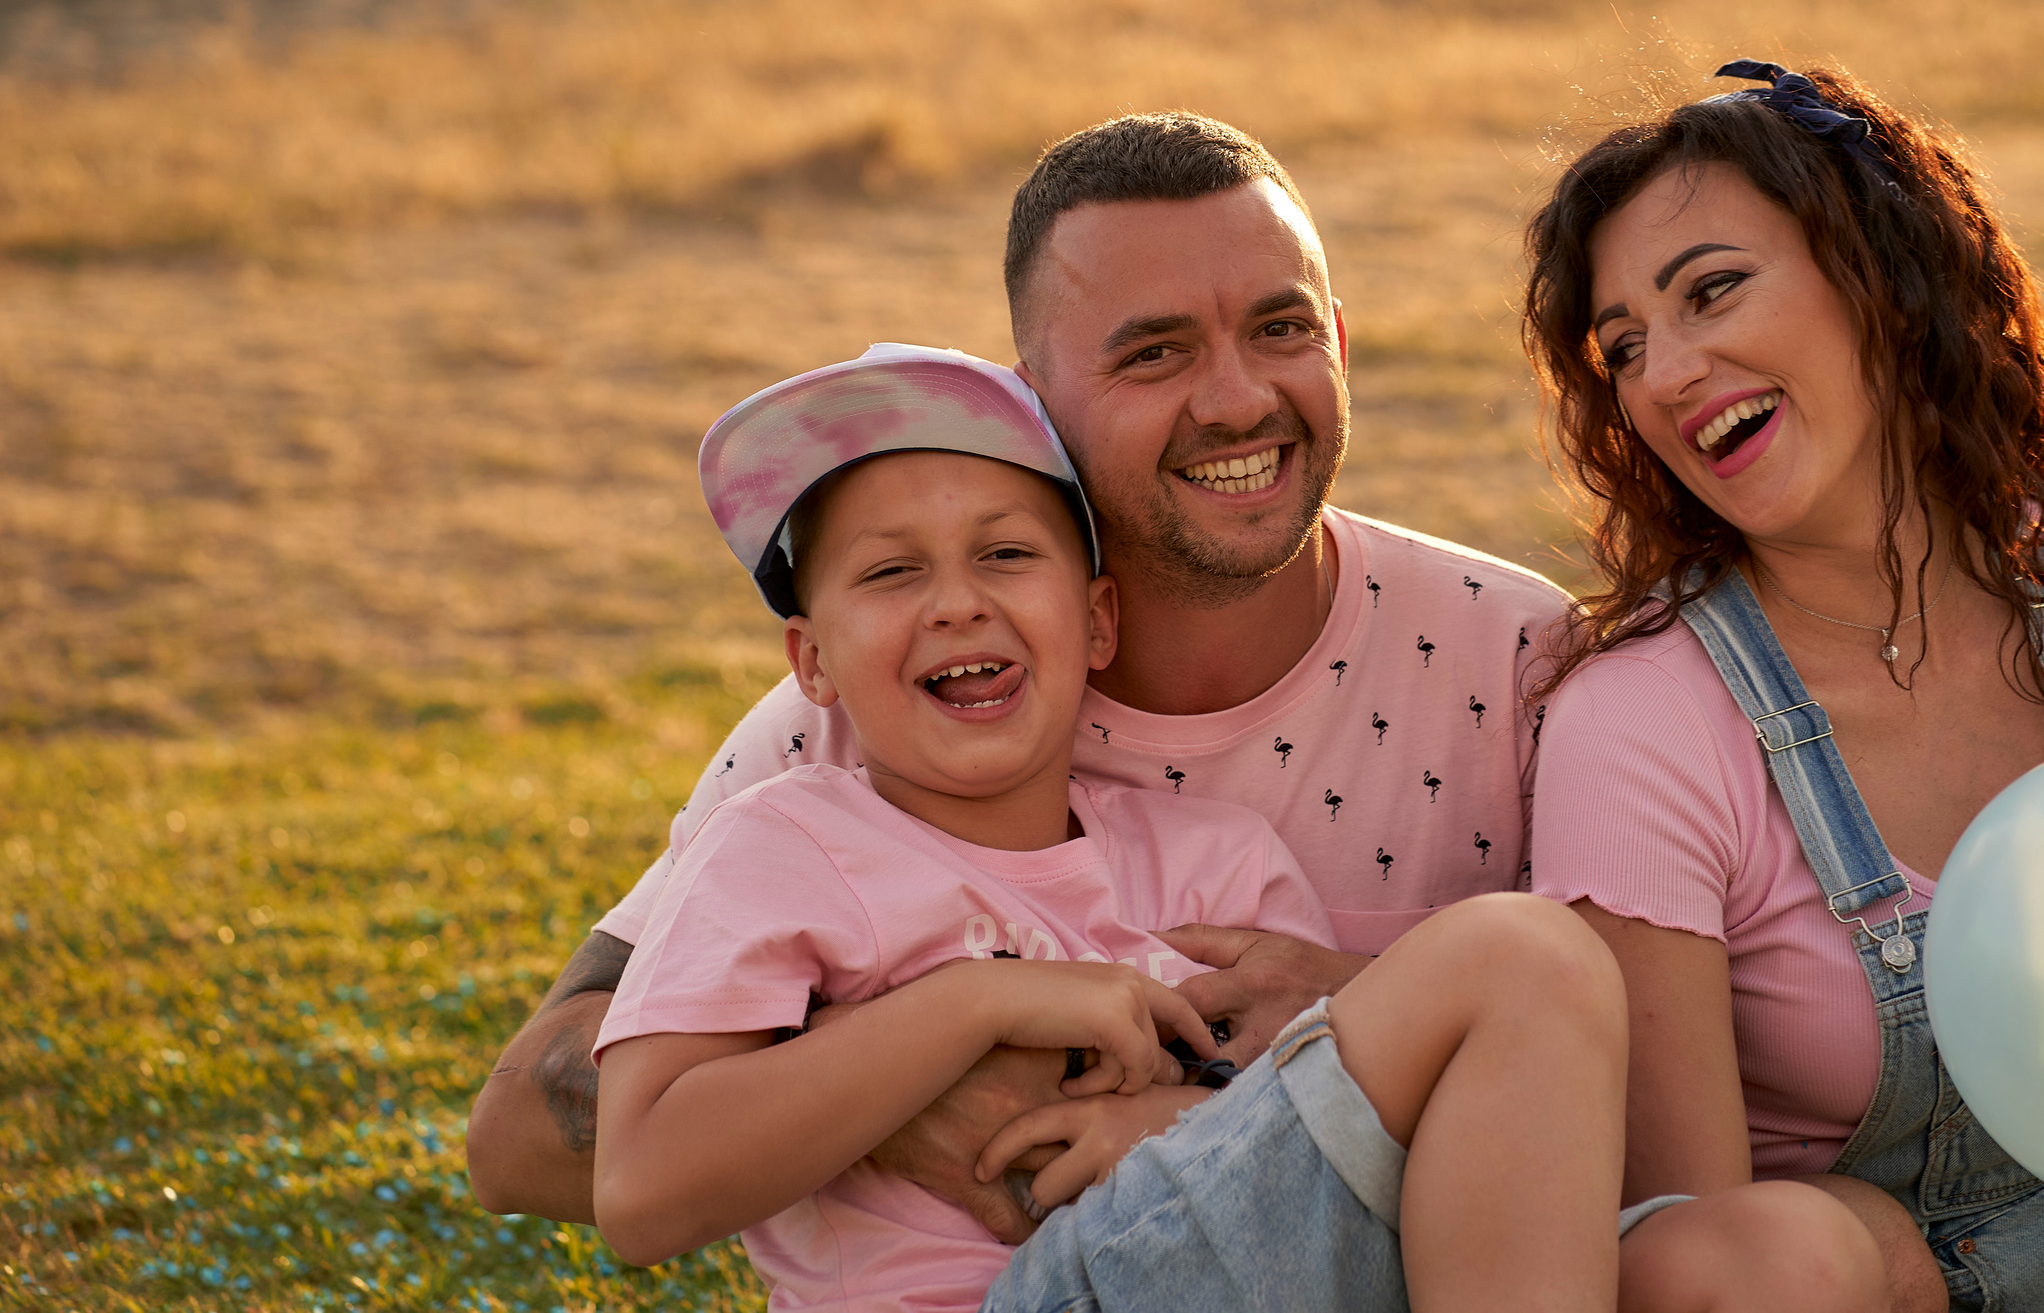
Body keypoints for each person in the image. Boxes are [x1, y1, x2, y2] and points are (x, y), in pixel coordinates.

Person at [469, 114, 1565, 1234]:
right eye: (1155, 351)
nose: (1237, 400)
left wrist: (1360, 1017)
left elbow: (1667, 1081)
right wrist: (906, 1083)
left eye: (1281, 329)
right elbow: (515, 1143)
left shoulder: (1523, 666)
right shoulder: (869, 719)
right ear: (1031, 398)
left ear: (1338, 339)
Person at [592, 344, 1850, 1313]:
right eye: (888, 573)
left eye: (1004, 555)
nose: (957, 605)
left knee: (1781, 1246)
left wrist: (1179, 1128)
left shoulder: (1211, 862)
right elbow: (641, 1190)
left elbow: (1312, 1145)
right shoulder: (783, 842)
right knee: (1522, 957)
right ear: (809, 661)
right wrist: (971, 1004)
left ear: (1096, 622)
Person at [1516, 60, 2044, 1313]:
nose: (1663, 376)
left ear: (1877, 270)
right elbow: (1704, 1260)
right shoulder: (1640, 730)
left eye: (1713, 290)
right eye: (1623, 350)